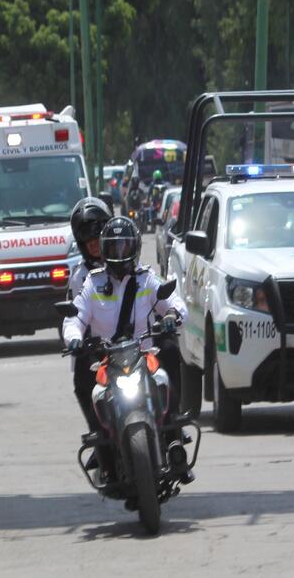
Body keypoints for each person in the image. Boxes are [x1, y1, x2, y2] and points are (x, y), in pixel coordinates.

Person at [62, 217, 188, 479]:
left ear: (135, 248)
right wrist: (73, 337)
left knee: (171, 352)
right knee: (91, 387)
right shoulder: (92, 284)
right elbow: (75, 317)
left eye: (124, 247)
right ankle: (104, 448)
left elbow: (174, 302)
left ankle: (173, 431)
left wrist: (172, 316)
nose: (119, 254)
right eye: (114, 248)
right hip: (109, 361)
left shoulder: (147, 279)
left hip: (144, 354)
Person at [68, 197, 112, 298]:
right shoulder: (79, 277)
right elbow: (74, 313)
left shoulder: (128, 266)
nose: (92, 243)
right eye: (86, 238)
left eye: (96, 236)